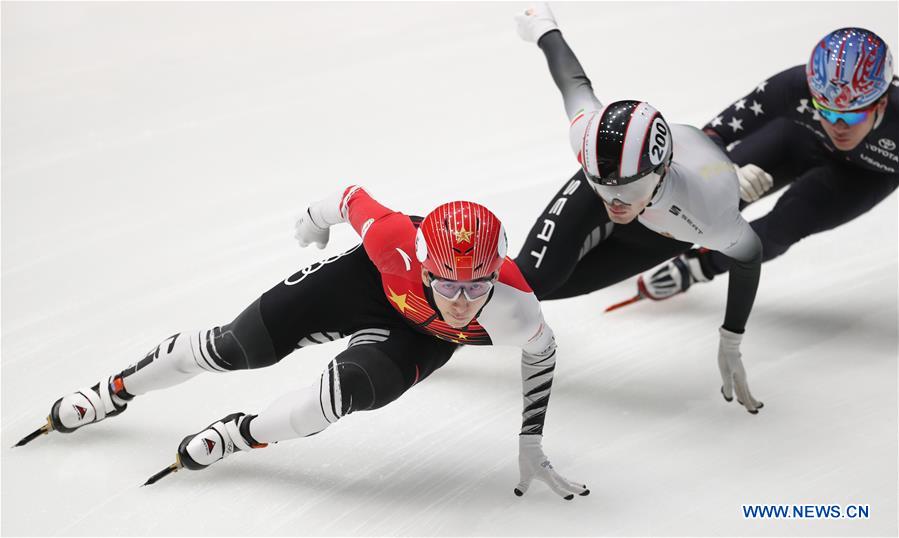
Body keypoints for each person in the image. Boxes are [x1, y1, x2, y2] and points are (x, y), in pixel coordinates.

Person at [17, 185, 588, 500]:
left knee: (344, 394)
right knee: (236, 347)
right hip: (364, 284)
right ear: (422, 264)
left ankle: (240, 433)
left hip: (414, 336)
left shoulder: (516, 308)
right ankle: (113, 391)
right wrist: (314, 220)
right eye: (447, 283)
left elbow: (542, 354)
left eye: (477, 286)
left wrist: (530, 440)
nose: (462, 301)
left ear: (496, 275)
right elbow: (349, 198)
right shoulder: (393, 239)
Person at [512, 3, 764, 413]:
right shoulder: (591, 142)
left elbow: (749, 256)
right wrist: (543, 27)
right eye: (602, 183)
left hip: (670, 222)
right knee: (529, 282)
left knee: (550, 290)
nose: (615, 201)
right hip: (642, 195)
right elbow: (574, 83)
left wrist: (731, 338)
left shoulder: (706, 212)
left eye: (628, 188)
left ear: (662, 169)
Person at [635, 27, 898, 300]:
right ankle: (630, 228)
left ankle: (697, 267)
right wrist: (724, 170)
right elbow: (711, 134)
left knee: (782, 228)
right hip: (799, 138)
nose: (838, 126)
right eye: (826, 111)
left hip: (864, 175)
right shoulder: (794, 86)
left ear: (880, 104)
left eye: (852, 116)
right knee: (709, 187)